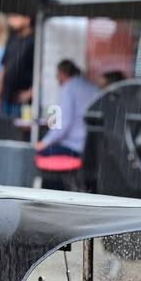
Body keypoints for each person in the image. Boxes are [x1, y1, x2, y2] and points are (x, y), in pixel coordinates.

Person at [35, 59, 98, 187]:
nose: (57, 79)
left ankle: (50, 197)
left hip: (73, 147)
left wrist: (44, 142)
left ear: (63, 74)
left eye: (57, 75)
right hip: (92, 149)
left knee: (39, 155)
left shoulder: (67, 89)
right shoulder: (92, 87)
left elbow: (63, 123)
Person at [0, 13, 34, 118]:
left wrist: (30, 93)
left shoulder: (35, 41)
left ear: (27, 19)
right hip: (6, 98)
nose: (11, 21)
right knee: (4, 131)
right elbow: (3, 69)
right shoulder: (12, 40)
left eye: (15, 17)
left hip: (23, 101)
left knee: (18, 133)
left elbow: (43, 72)